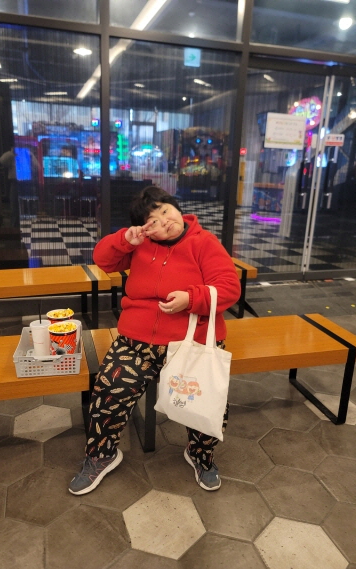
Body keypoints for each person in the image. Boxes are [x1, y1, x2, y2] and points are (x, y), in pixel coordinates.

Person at [69, 186, 241, 495]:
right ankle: (101, 455)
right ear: (145, 228)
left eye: (166, 210)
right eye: (153, 220)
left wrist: (191, 298)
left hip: (192, 342)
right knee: (109, 387)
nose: (165, 220)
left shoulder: (204, 242)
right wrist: (125, 239)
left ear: (177, 208)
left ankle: (201, 455)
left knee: (206, 399)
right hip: (136, 341)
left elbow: (229, 287)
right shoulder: (141, 244)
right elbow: (103, 259)